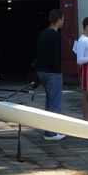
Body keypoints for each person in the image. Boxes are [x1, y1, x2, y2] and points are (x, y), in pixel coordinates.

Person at [36, 9, 66, 140]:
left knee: (49, 102)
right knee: (54, 103)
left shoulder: (43, 33)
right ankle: (51, 133)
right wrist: (59, 70)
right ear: (59, 20)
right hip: (52, 73)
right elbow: (54, 57)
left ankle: (49, 130)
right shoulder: (54, 35)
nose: (63, 22)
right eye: (63, 19)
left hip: (42, 71)